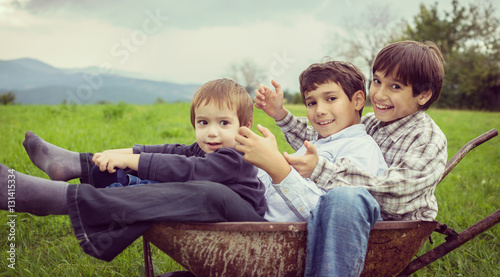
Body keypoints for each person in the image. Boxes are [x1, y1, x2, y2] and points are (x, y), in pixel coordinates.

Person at [0, 78, 267, 262]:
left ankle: (59, 197)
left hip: (252, 232)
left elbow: (187, 169)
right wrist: (114, 155)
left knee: (210, 191)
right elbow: (175, 152)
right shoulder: (208, 148)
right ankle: (77, 164)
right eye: (203, 122)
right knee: (160, 176)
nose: (211, 131)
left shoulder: (239, 156)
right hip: (215, 212)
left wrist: (134, 162)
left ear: (246, 124)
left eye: (223, 122)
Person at [253, 40, 447, 276]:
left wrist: (321, 171)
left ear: (423, 94)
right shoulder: (372, 122)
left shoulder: (427, 139)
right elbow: (323, 139)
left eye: (395, 87)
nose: (378, 94)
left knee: (345, 198)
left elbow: (398, 194)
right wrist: (281, 115)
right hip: (347, 219)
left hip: (387, 223)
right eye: (377, 81)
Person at [235, 60, 387, 222]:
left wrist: (279, 169)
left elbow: (334, 216)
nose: (320, 111)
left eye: (331, 98)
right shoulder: (318, 143)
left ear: (357, 101)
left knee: (212, 195)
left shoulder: (362, 148)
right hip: (257, 217)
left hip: (283, 234)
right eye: (312, 103)